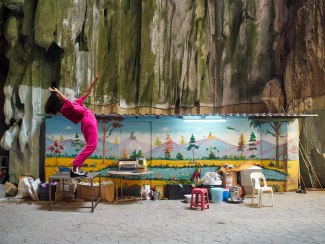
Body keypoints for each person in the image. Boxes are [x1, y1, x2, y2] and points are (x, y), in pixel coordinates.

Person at [45, 73, 100, 177]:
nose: (61, 95)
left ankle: (77, 168)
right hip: (88, 121)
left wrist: (94, 81)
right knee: (92, 146)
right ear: (58, 99)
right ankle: (75, 168)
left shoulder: (74, 104)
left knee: (91, 146)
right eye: (58, 95)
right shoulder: (64, 108)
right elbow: (67, 101)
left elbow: (85, 94)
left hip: (88, 121)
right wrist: (57, 91)